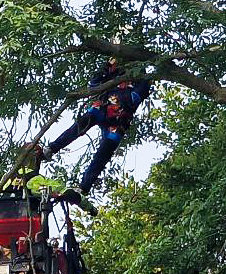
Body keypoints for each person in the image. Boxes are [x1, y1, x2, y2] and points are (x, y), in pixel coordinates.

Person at [37, 59, 151, 200]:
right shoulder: (111, 70)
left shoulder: (141, 78)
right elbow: (94, 84)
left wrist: (117, 92)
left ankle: (84, 186)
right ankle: (51, 149)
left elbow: (135, 98)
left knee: (104, 152)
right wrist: (107, 69)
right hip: (100, 108)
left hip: (118, 121)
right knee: (79, 126)